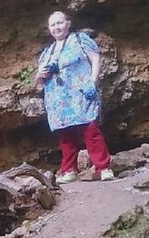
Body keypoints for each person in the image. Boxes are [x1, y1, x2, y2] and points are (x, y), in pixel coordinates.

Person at [34, 10, 115, 183]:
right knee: (66, 136)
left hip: (81, 93)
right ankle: (69, 170)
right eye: (53, 24)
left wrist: (93, 82)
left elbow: (95, 59)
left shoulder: (80, 40)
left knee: (91, 130)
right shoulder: (47, 52)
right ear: (49, 29)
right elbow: (39, 81)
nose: (57, 27)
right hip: (59, 100)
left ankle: (103, 168)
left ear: (68, 23)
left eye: (60, 22)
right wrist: (40, 74)